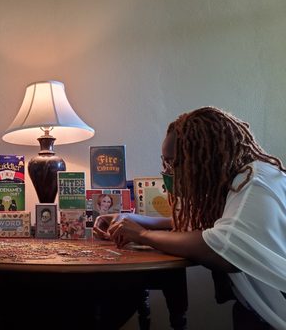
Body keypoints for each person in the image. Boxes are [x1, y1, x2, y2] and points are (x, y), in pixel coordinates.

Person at [94, 106, 286, 329]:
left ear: (205, 157)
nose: (167, 171)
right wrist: (134, 219)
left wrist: (144, 235)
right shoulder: (240, 179)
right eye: (164, 162)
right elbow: (209, 226)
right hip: (255, 312)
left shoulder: (254, 184)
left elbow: (221, 248)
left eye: (173, 162)